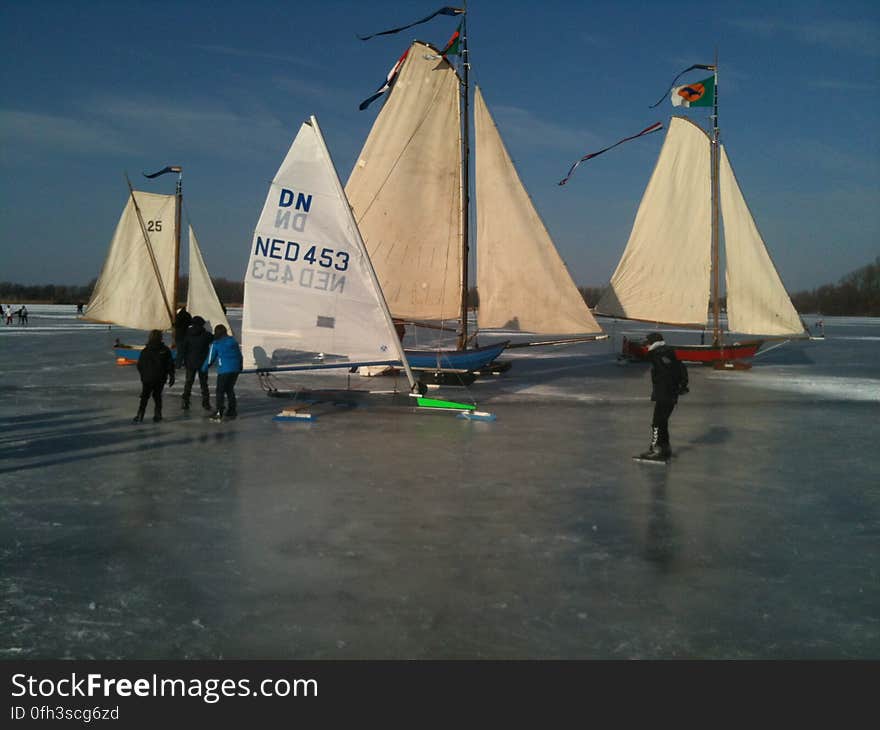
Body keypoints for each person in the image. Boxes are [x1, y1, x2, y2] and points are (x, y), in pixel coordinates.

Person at [638, 332, 688, 462]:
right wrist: (682, 385)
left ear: (653, 343)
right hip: (671, 392)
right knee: (662, 422)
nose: (646, 346)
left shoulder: (658, 354)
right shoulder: (669, 352)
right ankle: (665, 449)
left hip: (664, 393)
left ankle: (656, 450)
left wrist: (672, 386)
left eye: (648, 343)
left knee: (657, 423)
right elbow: (681, 368)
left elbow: (666, 372)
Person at [201, 324, 242, 422]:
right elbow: (239, 355)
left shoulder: (216, 344)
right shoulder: (233, 341)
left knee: (220, 391)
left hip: (225, 370)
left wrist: (203, 368)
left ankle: (219, 411)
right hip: (235, 369)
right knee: (229, 389)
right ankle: (232, 410)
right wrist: (240, 366)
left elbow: (210, 358)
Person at [134, 330, 175, 423]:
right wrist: (172, 376)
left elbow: (140, 365)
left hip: (147, 378)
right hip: (160, 378)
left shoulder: (145, 350)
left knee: (145, 397)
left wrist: (143, 376)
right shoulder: (165, 350)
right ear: (161, 337)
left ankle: (140, 415)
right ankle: (158, 415)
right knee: (157, 396)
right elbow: (170, 365)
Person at [180, 315, 214, 412]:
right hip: (203, 363)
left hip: (190, 363)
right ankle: (206, 403)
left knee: (188, 382)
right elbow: (215, 339)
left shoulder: (187, 334)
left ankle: (185, 402)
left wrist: (180, 361)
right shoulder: (206, 335)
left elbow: (183, 349)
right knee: (204, 384)